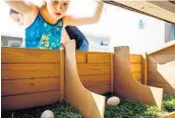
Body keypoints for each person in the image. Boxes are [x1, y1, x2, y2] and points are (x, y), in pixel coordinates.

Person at [6, 0, 103, 50]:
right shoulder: (33, 11)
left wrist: (100, 2)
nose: (60, 8)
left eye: (65, 4)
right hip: (29, 66)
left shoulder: (63, 20)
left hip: (51, 69)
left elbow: (94, 19)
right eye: (55, 1)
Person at [9, 8, 89, 50]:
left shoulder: (40, 18)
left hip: (80, 43)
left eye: (18, 19)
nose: (19, 23)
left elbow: (65, 40)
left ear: (22, 12)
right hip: (79, 42)